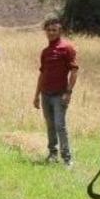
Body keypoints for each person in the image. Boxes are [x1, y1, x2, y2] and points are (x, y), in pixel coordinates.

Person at [34, 16, 79, 166]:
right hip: (45, 93)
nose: (51, 33)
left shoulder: (67, 48)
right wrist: (36, 95)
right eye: (48, 30)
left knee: (60, 125)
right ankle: (52, 154)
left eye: (54, 30)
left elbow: (74, 71)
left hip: (60, 94)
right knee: (50, 124)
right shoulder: (45, 51)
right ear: (45, 32)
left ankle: (67, 158)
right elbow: (42, 73)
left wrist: (69, 92)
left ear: (60, 31)